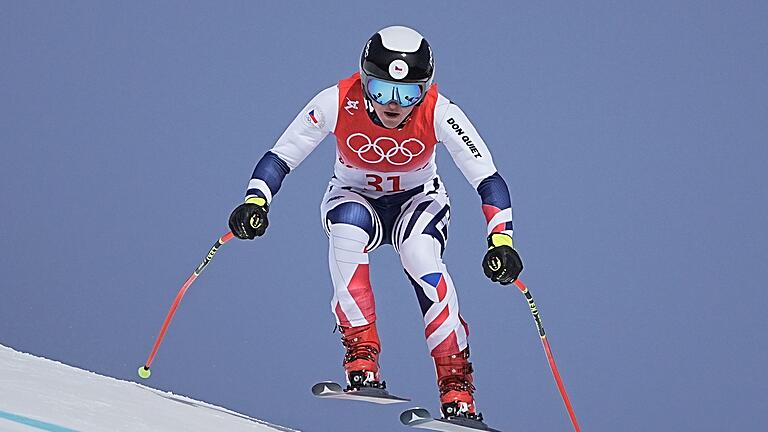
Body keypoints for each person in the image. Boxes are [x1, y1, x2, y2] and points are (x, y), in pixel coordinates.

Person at [228, 25, 523, 421]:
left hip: (417, 201)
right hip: (354, 196)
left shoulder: (440, 112)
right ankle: (361, 355)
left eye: (408, 93)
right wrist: (255, 200)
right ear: (364, 80)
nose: (394, 105)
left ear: (426, 88)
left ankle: (456, 384)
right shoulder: (335, 101)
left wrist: (501, 241)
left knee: (422, 258)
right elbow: (282, 156)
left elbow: (487, 178)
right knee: (347, 229)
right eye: (382, 90)